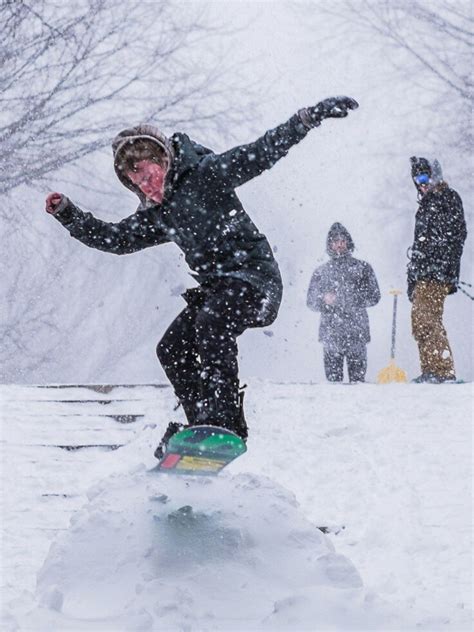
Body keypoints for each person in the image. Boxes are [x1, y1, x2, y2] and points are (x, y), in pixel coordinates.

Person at [45, 96, 359, 456]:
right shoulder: (159, 214)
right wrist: (69, 214)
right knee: (172, 347)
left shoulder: (206, 175)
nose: (147, 187)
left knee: (211, 321)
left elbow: (262, 151)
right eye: (137, 183)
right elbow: (116, 240)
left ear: (163, 160)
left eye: (148, 175)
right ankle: (202, 425)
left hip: (256, 282)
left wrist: (307, 117)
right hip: (219, 291)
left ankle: (222, 420)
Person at [407, 156, 467, 383]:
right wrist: (413, 276)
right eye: (417, 179)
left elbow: (456, 236)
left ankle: (442, 370)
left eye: (424, 177)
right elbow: (420, 243)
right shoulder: (426, 203)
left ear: (435, 176)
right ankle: (430, 369)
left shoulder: (447, 198)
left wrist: (447, 269)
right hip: (423, 274)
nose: (421, 183)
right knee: (420, 322)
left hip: (436, 273)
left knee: (427, 319)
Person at [307, 222, 380, 383]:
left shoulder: (362, 268)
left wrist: (352, 298)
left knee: (358, 383)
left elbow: (375, 296)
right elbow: (311, 301)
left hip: (357, 334)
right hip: (331, 334)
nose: (339, 244)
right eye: (335, 241)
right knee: (334, 385)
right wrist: (323, 300)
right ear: (329, 244)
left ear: (348, 242)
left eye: (342, 240)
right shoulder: (321, 272)